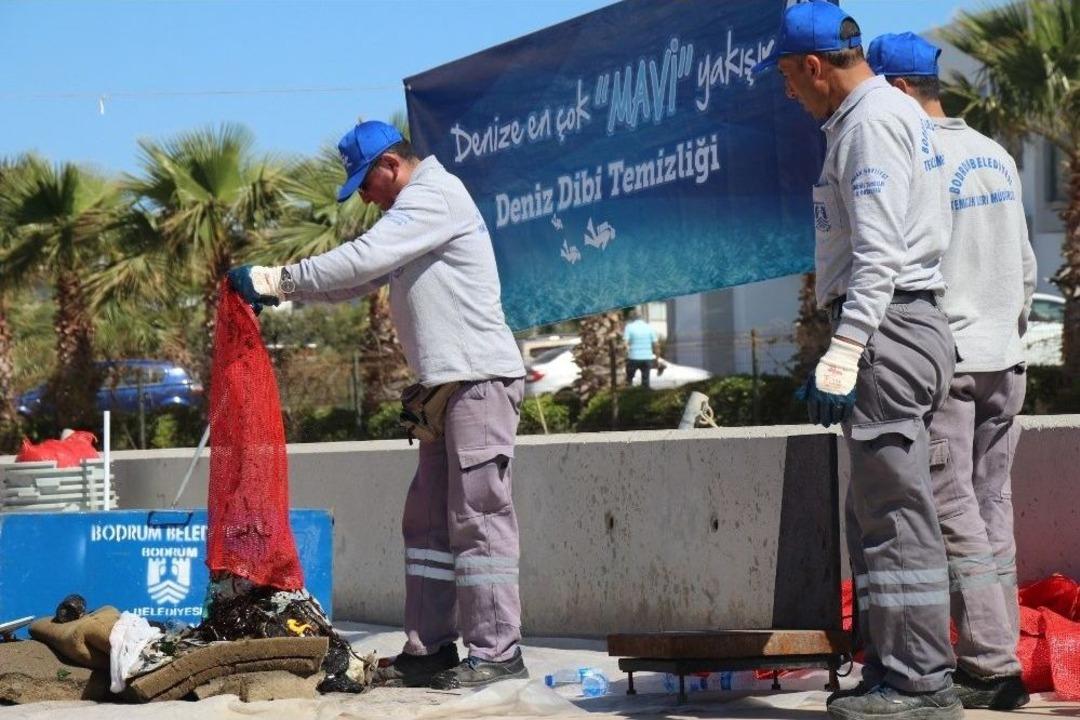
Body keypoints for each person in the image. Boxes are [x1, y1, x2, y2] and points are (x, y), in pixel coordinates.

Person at [227, 120, 528, 690]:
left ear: (390, 165)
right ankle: (430, 649)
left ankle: (498, 651)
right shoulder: (408, 217)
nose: (364, 198)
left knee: (478, 517)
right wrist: (279, 289)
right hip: (443, 388)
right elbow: (353, 281)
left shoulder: (434, 196)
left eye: (365, 184)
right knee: (429, 523)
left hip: (479, 381)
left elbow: (362, 259)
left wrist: (278, 277)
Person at [752, 3, 960, 720]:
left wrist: (845, 350)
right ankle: (896, 669)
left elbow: (878, 257)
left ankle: (921, 682)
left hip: (887, 327)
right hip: (908, 323)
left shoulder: (869, 125)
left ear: (815, 67)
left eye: (787, 77)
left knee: (895, 514)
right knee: (879, 511)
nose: (787, 92)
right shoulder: (889, 116)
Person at [869, 32, 1035, 711]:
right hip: (1007, 357)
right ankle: (1002, 655)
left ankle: (991, 664)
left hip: (955, 364)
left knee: (951, 509)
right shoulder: (994, 152)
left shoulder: (918, 153)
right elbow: (1024, 264)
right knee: (991, 508)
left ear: (901, 90)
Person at [623, 309, 659, 388]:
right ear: (642, 317)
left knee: (629, 380)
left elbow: (625, 343)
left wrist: (626, 354)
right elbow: (656, 344)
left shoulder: (629, 327)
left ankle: (628, 396)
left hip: (633, 357)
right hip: (647, 357)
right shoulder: (649, 327)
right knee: (645, 382)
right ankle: (644, 396)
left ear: (632, 317)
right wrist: (657, 358)